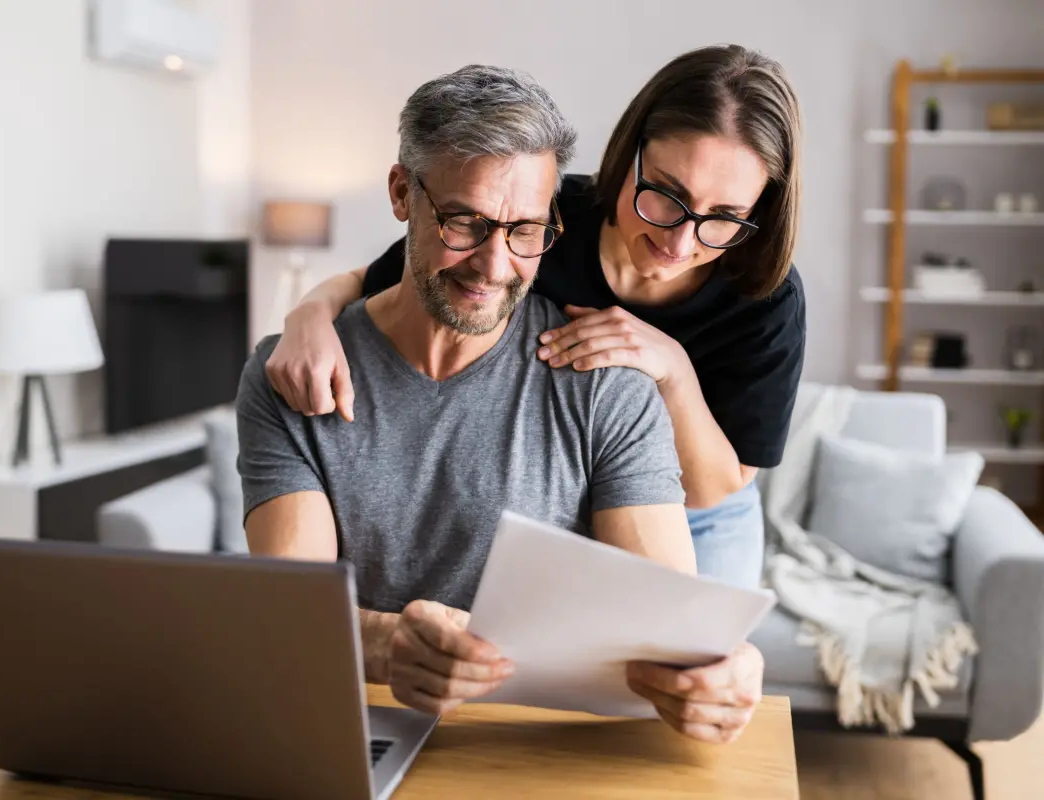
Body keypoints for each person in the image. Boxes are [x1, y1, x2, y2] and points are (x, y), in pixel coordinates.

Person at [239, 64, 763, 746]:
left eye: (525, 231)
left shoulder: (608, 383)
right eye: (465, 222)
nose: (493, 266)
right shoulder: (297, 374)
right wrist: (384, 644)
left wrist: (731, 668)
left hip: (534, 755)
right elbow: (288, 614)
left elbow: (668, 630)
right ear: (402, 194)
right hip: (355, 737)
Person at [265, 44, 806, 591]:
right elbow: (377, 280)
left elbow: (715, 487)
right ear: (629, 154)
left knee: (695, 660)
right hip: (587, 488)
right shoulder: (535, 216)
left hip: (703, 514)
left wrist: (672, 368)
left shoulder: (765, 294)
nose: (680, 240)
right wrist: (308, 316)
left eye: (725, 217)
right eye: (666, 195)